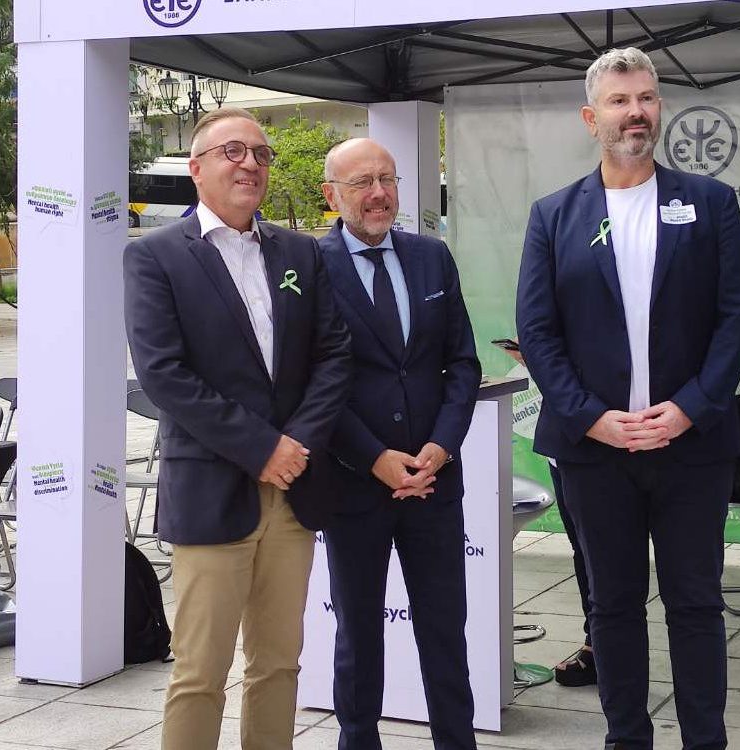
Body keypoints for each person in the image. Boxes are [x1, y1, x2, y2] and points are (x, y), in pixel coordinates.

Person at [515, 48, 740, 750]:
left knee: (696, 604)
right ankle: (626, 739)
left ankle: (704, 740)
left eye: (647, 98)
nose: (636, 112)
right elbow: (538, 331)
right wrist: (590, 418)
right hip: (596, 453)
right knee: (612, 606)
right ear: (591, 118)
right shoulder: (554, 215)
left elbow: (738, 317)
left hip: (692, 448)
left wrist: (688, 408)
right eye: (620, 101)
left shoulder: (710, 203)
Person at [123, 106, 352, 750]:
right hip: (212, 492)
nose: (250, 163)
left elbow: (334, 355)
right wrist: (262, 448)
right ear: (197, 169)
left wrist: (295, 446)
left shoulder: (300, 252)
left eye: (260, 153)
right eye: (232, 151)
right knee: (200, 673)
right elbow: (164, 374)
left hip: (295, 491)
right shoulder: (155, 258)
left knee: (278, 665)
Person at [318, 138, 482, 750]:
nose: (378, 193)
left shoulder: (431, 256)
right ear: (331, 194)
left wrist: (442, 445)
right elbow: (313, 383)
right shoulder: (310, 267)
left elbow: (461, 363)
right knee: (358, 633)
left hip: (435, 482)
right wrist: (374, 458)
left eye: (386, 179)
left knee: (445, 630)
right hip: (354, 484)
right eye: (361, 182)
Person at [498, 342, 597, 687]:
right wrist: (537, 357)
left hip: (603, 438)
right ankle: (596, 645)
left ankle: (604, 650)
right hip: (565, 442)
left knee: (600, 557)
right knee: (584, 552)